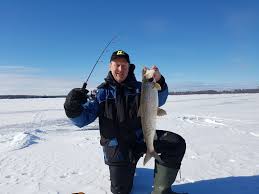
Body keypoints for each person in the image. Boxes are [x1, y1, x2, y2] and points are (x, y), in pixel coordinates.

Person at [64, 50, 186, 194]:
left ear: (129, 67)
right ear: (110, 66)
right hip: (117, 146)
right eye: (117, 65)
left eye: (124, 65)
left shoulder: (141, 88)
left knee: (175, 143)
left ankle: (162, 191)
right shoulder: (101, 93)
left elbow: (161, 97)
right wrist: (71, 107)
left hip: (140, 138)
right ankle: (128, 166)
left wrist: (159, 80)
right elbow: (82, 120)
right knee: (121, 191)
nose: (120, 69)